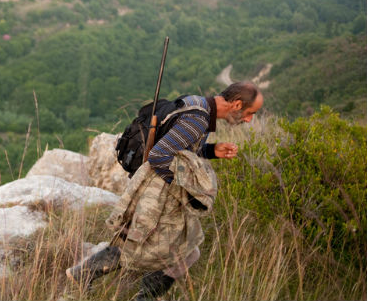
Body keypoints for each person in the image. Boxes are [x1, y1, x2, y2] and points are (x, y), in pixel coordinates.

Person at [66, 81, 264, 300]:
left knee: (136, 241)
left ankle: (83, 274)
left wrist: (211, 150)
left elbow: (181, 149)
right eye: (250, 113)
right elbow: (159, 156)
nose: (249, 119)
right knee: (185, 252)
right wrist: (185, 189)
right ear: (237, 104)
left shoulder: (198, 106)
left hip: (152, 188)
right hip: (157, 193)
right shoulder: (198, 120)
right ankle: (142, 296)